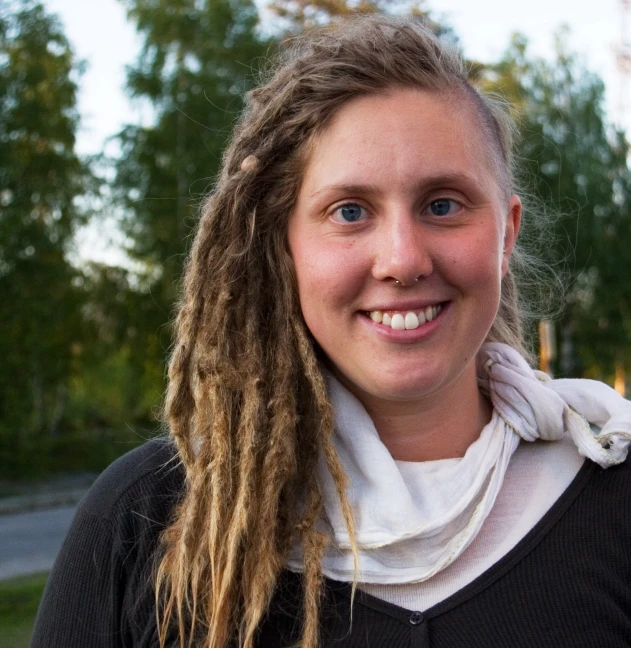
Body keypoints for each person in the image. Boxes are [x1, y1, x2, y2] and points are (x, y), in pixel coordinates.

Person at [32, 15, 631, 648]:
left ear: (505, 234)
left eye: (443, 204)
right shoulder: (147, 520)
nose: (402, 259)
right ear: (283, 246)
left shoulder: (615, 502)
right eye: (349, 212)